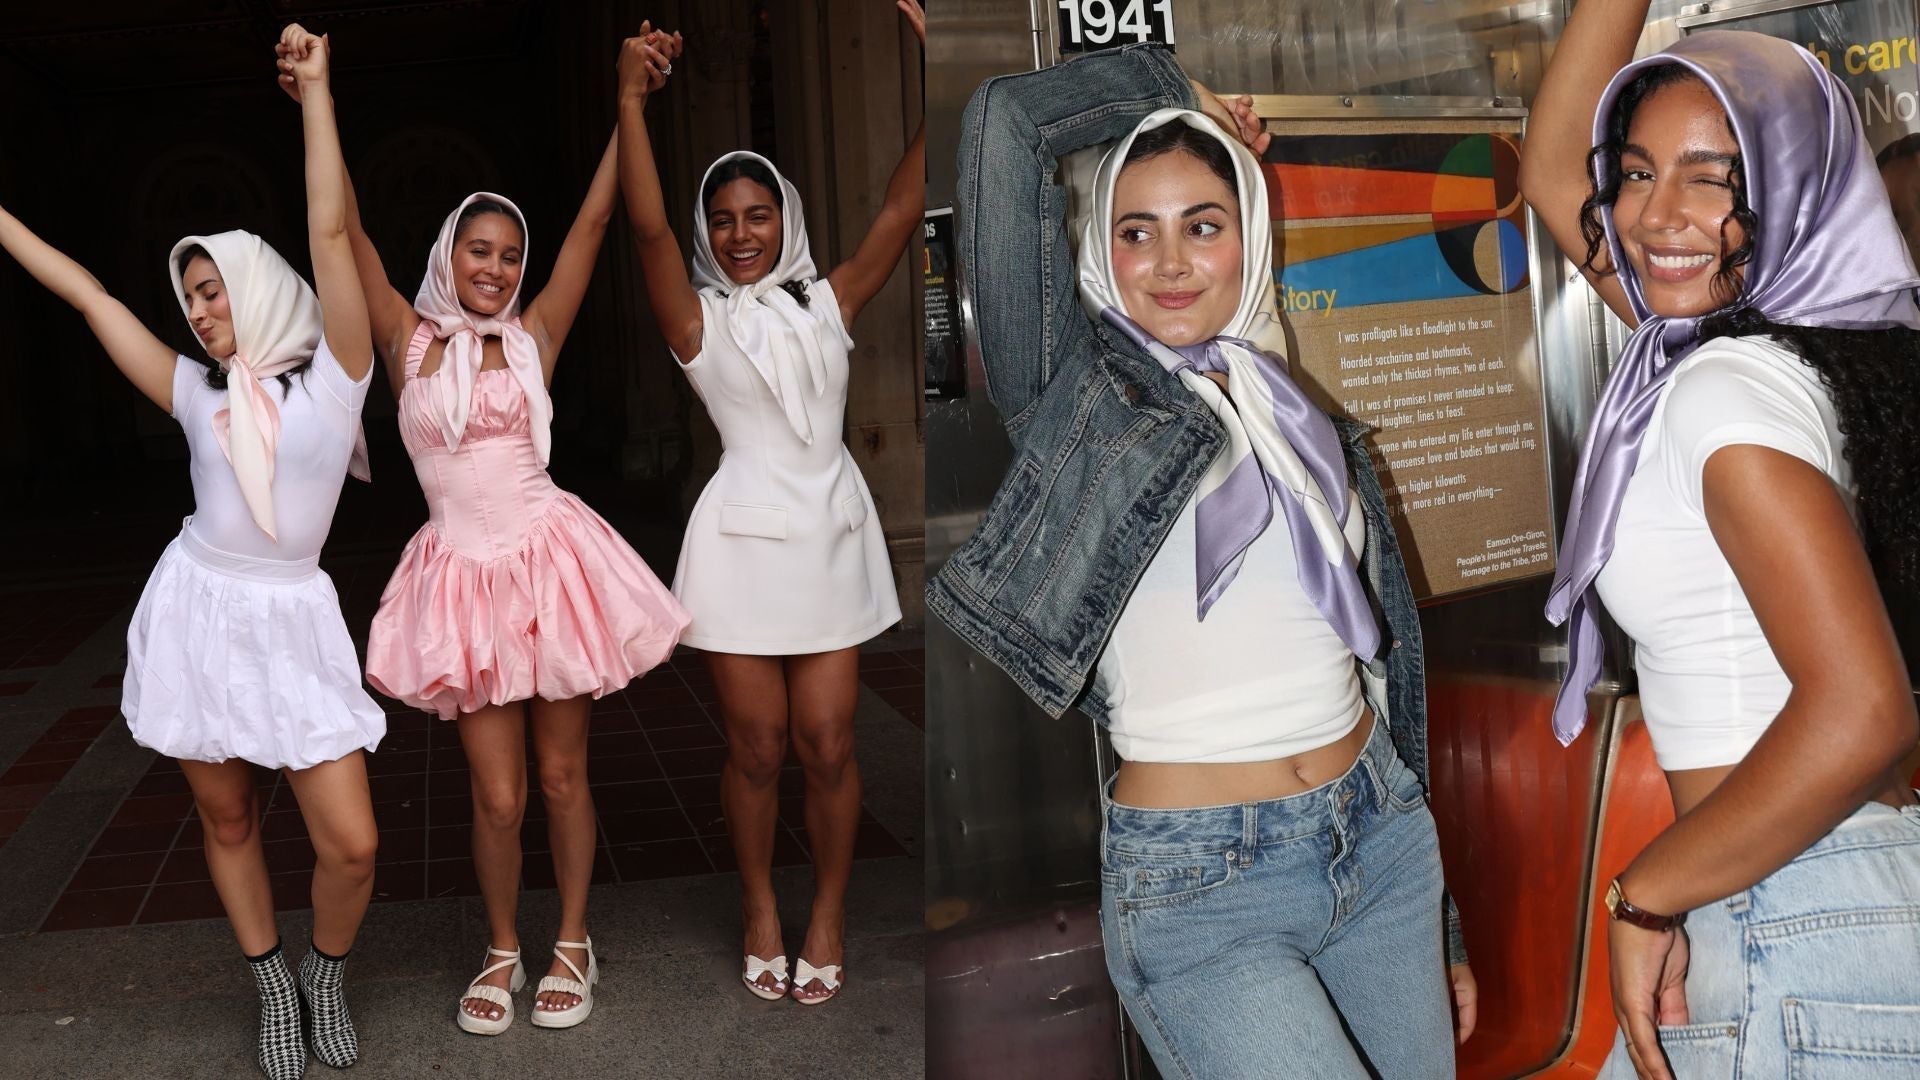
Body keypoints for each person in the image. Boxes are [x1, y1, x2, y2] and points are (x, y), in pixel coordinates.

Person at [925, 43, 1476, 1078]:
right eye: (1138, 233)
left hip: (1381, 835)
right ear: (1105, 250)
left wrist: (1440, 933)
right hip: (1201, 886)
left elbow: (1375, 660)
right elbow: (1003, 123)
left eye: (1204, 226)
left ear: (1248, 240)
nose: (1172, 263)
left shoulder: (1281, 394)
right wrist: (1173, 91)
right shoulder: (1073, 400)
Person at [1520, 5, 1920, 1077]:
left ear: (1787, 192)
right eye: (1639, 171)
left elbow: (1864, 708)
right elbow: (1559, 172)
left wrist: (1643, 897)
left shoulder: (1721, 387)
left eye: (1712, 176)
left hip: (1782, 912)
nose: (1657, 216)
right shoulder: (1810, 350)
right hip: (1821, 898)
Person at [0, 24, 377, 1079]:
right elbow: (90, 299)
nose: (203, 312)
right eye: (192, 298)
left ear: (254, 284)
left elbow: (335, 230)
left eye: (215, 291)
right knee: (224, 814)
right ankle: (268, 981)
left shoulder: (336, 376)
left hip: (293, 612)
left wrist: (316, 95)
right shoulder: (192, 392)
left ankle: (325, 970)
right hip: (203, 604)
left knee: (351, 843)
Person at [310, 30, 692, 1034]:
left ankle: (572, 937)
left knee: (563, 772)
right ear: (450, 255)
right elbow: (341, 227)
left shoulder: (534, 337)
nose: (497, 267)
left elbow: (599, 223)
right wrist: (319, 97)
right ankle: (501, 946)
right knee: (497, 796)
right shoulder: (408, 339)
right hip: (459, 576)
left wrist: (628, 102)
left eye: (509, 254)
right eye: (481, 251)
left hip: (545, 563)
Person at [614, 2, 924, 1006]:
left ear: (782, 216)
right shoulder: (695, 321)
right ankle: (758, 903)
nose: (739, 233)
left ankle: (827, 911)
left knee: (830, 743)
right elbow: (649, 225)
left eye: (756, 215)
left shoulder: (828, 302)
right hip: (741, 545)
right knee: (755, 747)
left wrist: (935, 62)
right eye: (724, 218)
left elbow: (899, 206)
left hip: (829, 536)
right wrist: (629, 100)